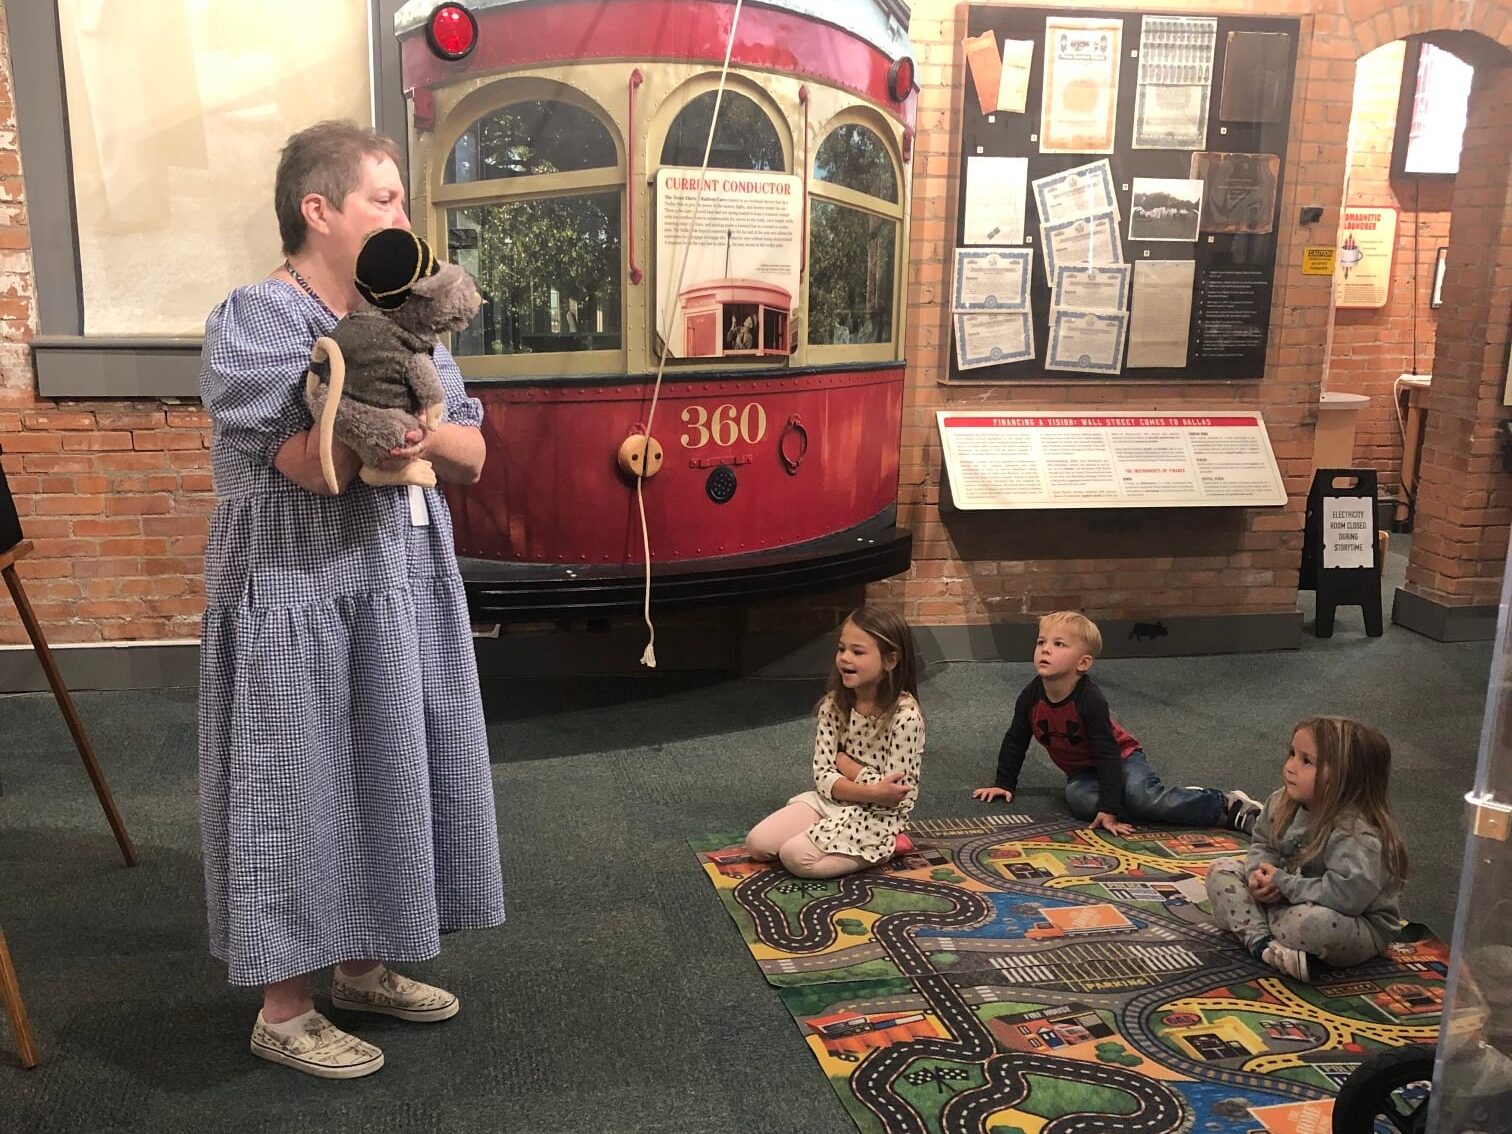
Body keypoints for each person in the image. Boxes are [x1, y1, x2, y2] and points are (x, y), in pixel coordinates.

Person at [198, 120, 504, 1079]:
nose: (403, 216)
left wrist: (411, 431)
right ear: (317, 209)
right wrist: (388, 431)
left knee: (389, 759)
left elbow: (472, 451)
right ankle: (284, 1009)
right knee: (294, 779)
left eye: (402, 199)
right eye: (385, 197)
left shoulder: (406, 311)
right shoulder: (257, 316)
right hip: (295, 590)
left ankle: (362, 963)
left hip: (398, 581)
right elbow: (306, 462)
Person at [971, 611, 1259, 837]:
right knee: (1079, 802)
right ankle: (1161, 800)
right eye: (1041, 642)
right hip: (1083, 772)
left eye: (1058, 644)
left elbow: (1107, 752)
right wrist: (1004, 783)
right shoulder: (1031, 695)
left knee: (1138, 795)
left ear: (1082, 663)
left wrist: (1110, 808)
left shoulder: (1089, 699)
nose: (1045, 650)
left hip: (1121, 758)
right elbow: (1016, 737)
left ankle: (1222, 805)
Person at [1206, 717, 1408, 982]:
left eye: (1306, 761)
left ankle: (1254, 927)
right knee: (1220, 870)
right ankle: (1265, 944)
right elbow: (1263, 843)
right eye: (1292, 754)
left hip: (1351, 919)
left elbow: (1344, 897)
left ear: (1343, 777)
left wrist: (1283, 884)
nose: (1290, 767)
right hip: (1287, 897)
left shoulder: (1356, 833)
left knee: (1316, 926)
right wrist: (1258, 875)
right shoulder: (1282, 801)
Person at [746, 608, 924, 878]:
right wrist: (873, 788)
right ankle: (828, 834)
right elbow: (823, 776)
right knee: (757, 844)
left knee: (795, 858)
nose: (845, 658)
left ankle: (888, 846)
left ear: (890, 660)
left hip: (875, 817)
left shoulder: (906, 717)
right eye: (842, 649)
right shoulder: (834, 704)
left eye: (858, 652)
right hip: (830, 801)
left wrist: (848, 766)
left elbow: (897, 797)